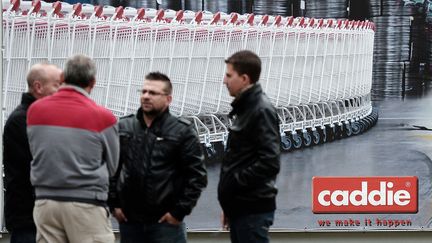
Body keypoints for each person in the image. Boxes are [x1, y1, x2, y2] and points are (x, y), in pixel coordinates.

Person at [27, 54, 119, 243]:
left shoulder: (35, 111)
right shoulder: (103, 117)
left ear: (62, 78)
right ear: (92, 82)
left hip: (45, 202)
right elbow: (113, 166)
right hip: (86, 203)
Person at [110, 72, 207, 243]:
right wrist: (114, 205)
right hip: (130, 223)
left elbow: (197, 176)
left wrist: (178, 213)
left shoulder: (182, 131)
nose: (146, 96)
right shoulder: (124, 127)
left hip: (165, 225)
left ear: (168, 99)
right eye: (144, 91)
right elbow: (111, 168)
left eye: (153, 93)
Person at [218, 50, 281, 243]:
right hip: (241, 207)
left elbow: (270, 162)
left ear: (244, 79)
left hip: (251, 208)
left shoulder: (260, 110)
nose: (224, 80)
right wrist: (230, 204)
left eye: (229, 75)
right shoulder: (245, 108)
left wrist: (235, 184)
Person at [3, 63, 62, 243]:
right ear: (38, 87)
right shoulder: (23, 120)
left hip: (43, 216)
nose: (63, 91)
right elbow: (45, 164)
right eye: (57, 85)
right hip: (29, 220)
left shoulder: (40, 117)